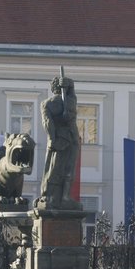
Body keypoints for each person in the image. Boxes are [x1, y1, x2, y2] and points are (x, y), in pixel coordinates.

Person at [35, 74, 81, 210]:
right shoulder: (70, 101)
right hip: (72, 138)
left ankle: (51, 196)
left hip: (59, 139)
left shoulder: (47, 104)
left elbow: (48, 123)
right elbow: (72, 93)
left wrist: (52, 139)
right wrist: (69, 85)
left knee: (54, 168)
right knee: (69, 168)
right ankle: (65, 197)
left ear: (52, 88)